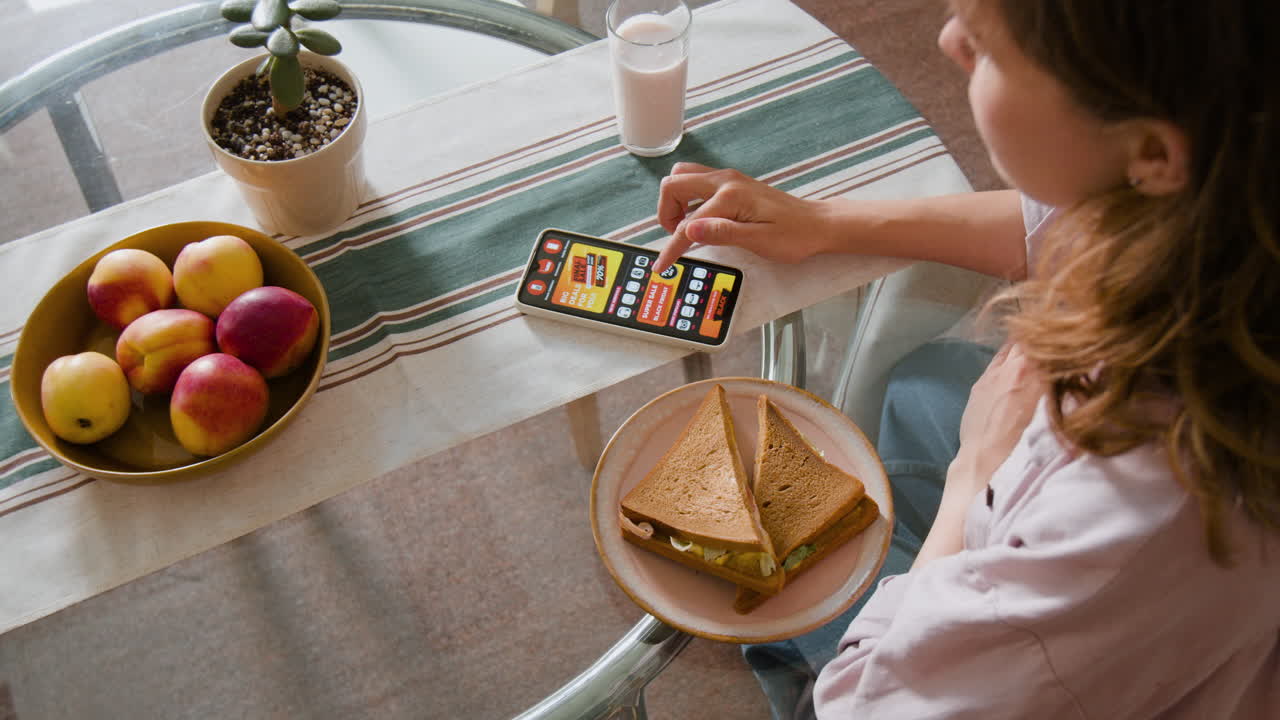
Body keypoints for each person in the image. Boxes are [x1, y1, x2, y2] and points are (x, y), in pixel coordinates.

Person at [653, 0, 1279, 717]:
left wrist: (974, 473)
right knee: (917, 384)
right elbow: (1055, 224)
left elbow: (867, 708)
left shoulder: (1131, 519)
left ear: (1154, 153)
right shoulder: (1225, 181)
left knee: (769, 535)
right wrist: (820, 223)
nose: (946, 40)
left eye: (984, 44)